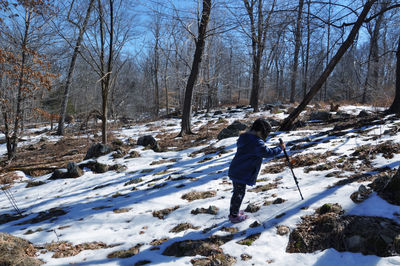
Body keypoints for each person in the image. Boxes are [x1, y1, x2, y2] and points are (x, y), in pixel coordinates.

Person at [227, 118, 285, 223]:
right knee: (239, 194)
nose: (265, 135)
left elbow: (259, 149)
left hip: (237, 169)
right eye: (265, 132)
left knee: (237, 192)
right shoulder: (255, 142)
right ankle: (234, 216)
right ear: (260, 131)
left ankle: (234, 211)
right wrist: (280, 148)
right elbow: (267, 153)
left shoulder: (245, 138)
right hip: (241, 172)